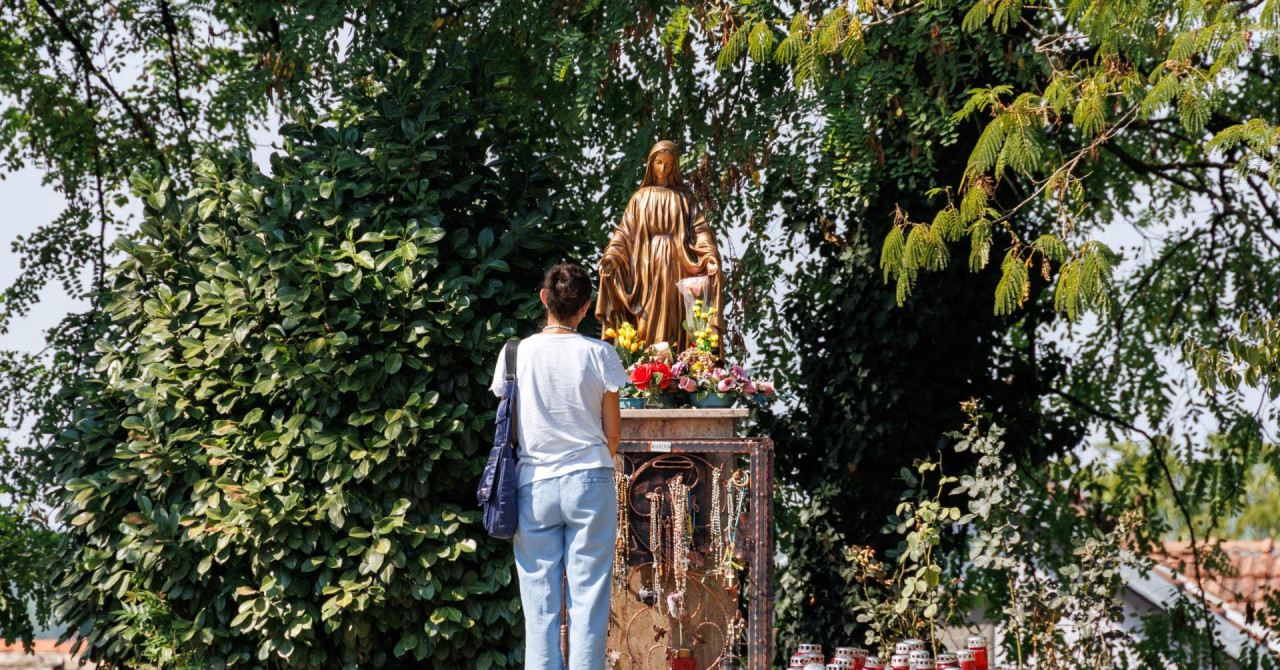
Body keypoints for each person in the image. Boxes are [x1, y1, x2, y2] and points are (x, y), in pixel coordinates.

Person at [489, 263, 628, 670]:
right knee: (589, 599)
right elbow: (613, 433)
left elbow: (510, 431)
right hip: (590, 479)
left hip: (534, 484)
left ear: (544, 299)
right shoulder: (600, 354)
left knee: (539, 605)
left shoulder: (515, 353)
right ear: (585, 308)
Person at [595, 140, 724, 350]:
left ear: (675, 166)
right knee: (644, 321)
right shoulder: (639, 198)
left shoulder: (685, 199)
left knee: (676, 320)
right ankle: (646, 369)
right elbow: (624, 233)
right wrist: (611, 257)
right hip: (645, 271)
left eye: (668, 164)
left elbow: (700, 230)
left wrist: (709, 256)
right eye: (658, 163)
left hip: (677, 266)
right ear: (651, 164)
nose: (663, 169)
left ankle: (676, 368)